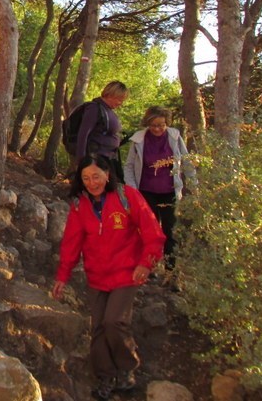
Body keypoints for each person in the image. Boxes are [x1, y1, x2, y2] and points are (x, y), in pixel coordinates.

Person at [53, 155, 165, 400]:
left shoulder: (127, 197)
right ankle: (106, 375)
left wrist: (147, 263)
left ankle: (127, 368)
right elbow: (72, 243)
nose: (92, 182)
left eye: (96, 176)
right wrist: (63, 276)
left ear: (107, 174)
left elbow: (153, 234)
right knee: (99, 327)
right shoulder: (80, 205)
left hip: (127, 273)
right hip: (97, 275)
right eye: (85, 178)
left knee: (114, 321)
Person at [123, 106, 196, 269]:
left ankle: (171, 270)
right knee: (150, 231)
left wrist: (193, 183)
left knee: (170, 231)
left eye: (161, 125)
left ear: (167, 123)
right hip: (146, 191)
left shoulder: (174, 137)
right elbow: (128, 166)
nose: (157, 129)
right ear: (148, 123)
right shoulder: (139, 140)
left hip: (169, 191)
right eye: (154, 125)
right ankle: (150, 266)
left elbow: (186, 160)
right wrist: (132, 189)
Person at [76, 80, 129, 182]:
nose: (120, 103)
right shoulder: (94, 108)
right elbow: (83, 134)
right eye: (120, 100)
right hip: (96, 158)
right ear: (111, 95)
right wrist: (82, 161)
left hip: (108, 158)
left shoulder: (108, 110)